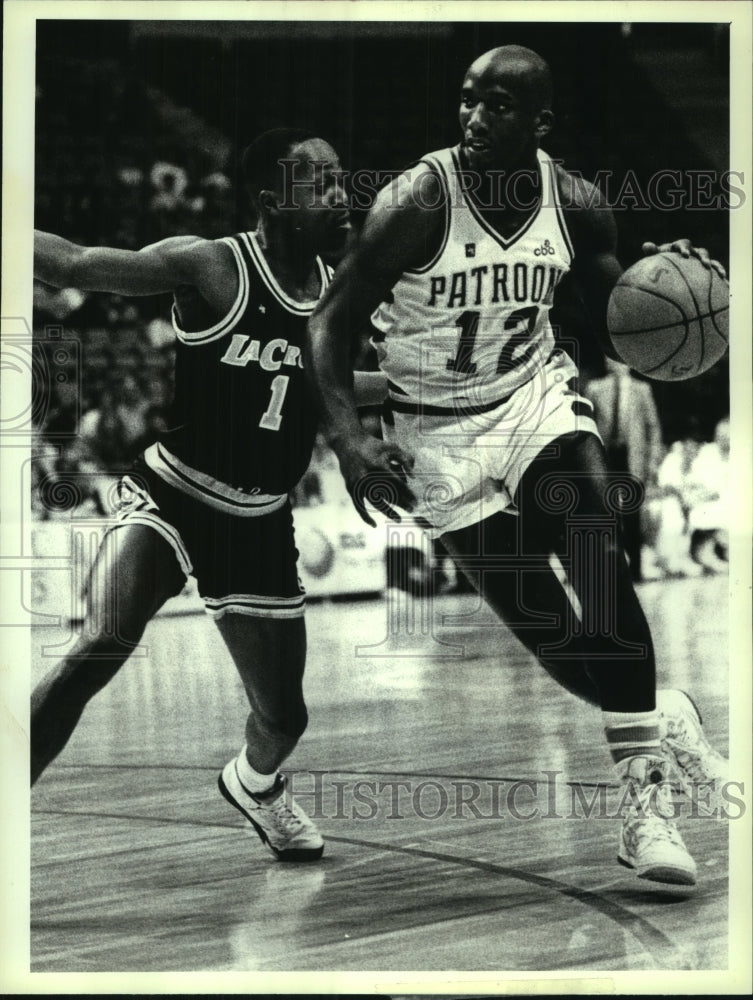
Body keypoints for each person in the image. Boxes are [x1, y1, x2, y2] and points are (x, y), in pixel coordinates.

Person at [308, 47, 728, 885]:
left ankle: (643, 811)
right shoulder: (417, 201)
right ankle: (663, 714)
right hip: (434, 434)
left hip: (532, 401)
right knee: (564, 649)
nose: (473, 118)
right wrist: (350, 442)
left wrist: (669, 288)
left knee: (595, 541)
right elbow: (329, 322)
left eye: (496, 105)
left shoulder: (574, 203)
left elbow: (618, 325)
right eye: (467, 100)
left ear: (538, 122)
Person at [32, 127, 364, 863]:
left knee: (284, 720)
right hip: (174, 494)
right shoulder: (213, 266)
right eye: (321, 183)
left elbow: (333, 385)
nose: (342, 195)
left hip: (259, 521)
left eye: (342, 179)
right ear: (273, 199)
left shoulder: (338, 291)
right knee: (101, 643)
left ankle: (255, 785)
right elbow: (74, 263)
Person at [584, 357, 664, 582]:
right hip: (605, 456)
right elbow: (586, 423)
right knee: (606, 513)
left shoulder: (642, 389)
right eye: (612, 360)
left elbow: (653, 427)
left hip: (632, 458)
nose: (618, 365)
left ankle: (636, 569)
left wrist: (652, 462)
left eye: (621, 361)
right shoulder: (595, 388)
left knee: (632, 514)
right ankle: (612, 569)